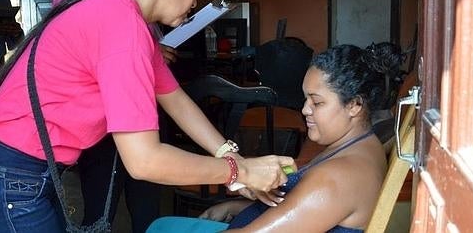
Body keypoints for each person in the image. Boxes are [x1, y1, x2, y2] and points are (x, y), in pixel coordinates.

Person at [0, 0, 295, 233]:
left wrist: (233, 157)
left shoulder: (119, 10)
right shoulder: (123, 27)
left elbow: (175, 99)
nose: (193, 1)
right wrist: (240, 174)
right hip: (5, 180)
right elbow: (144, 161)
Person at [146, 42, 404, 233]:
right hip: (245, 219)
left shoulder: (339, 179)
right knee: (160, 226)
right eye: (306, 98)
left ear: (355, 106)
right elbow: (299, 210)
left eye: (317, 102)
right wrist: (235, 207)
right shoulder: (357, 145)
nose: (305, 109)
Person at [53, 0, 167, 231]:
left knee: (146, 204)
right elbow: (81, 58)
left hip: (140, 113)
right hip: (100, 123)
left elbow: (145, 49)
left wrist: (156, 53)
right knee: (100, 208)